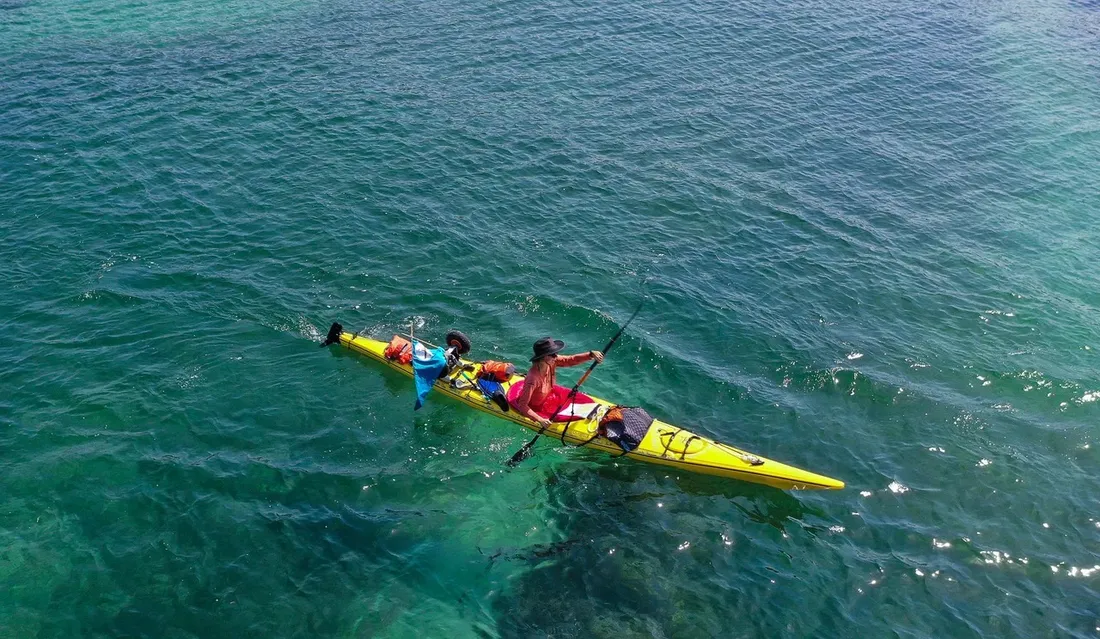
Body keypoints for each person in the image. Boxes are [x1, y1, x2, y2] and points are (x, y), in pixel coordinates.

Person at [514, 337, 603, 428]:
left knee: (583, 401)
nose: (556, 356)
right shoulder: (533, 379)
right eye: (553, 354)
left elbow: (570, 360)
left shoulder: (551, 361)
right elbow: (522, 406)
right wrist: (540, 420)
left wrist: (590, 354)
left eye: (556, 353)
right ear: (544, 357)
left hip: (549, 398)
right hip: (535, 408)